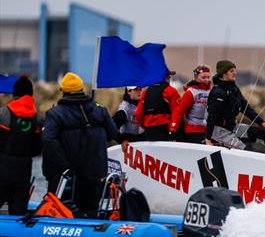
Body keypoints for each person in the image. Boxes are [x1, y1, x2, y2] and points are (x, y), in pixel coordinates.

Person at [41, 72, 121, 217]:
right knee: (90, 212)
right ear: (81, 89)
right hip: (95, 174)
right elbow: (113, 134)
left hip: (68, 176)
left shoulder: (55, 114)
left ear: (63, 91)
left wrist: (63, 165)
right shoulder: (100, 110)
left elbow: (47, 139)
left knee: (63, 212)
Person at [205, 60, 265, 146]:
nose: (235, 73)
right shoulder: (218, 92)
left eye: (235, 70)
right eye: (231, 71)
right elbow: (212, 117)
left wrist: (263, 124)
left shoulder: (234, 89)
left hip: (233, 127)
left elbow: (246, 108)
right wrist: (208, 140)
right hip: (219, 131)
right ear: (224, 73)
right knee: (243, 149)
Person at [0, 76, 43, 215]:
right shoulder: (37, 118)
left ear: (14, 94)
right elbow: (37, 148)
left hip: (2, 167)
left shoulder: (3, 113)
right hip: (24, 169)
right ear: (30, 94)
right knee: (18, 211)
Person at [171, 65, 212, 144]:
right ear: (196, 78)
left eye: (208, 77)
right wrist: (173, 129)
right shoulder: (191, 92)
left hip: (208, 131)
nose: (206, 80)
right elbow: (179, 111)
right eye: (203, 77)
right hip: (193, 131)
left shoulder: (211, 91)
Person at [135, 69, 180, 141]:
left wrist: (145, 126)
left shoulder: (146, 91)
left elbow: (138, 113)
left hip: (149, 131)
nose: (169, 80)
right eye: (168, 77)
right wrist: (173, 129)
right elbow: (177, 112)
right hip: (165, 129)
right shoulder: (171, 91)